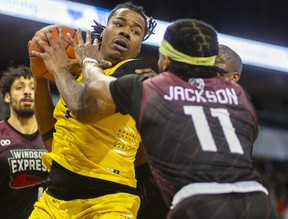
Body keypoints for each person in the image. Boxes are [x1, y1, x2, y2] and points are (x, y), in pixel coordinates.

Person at [67, 18, 278, 218]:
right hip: (258, 200)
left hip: (201, 202)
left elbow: (94, 85)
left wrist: (88, 59)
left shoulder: (153, 88)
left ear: (166, 60)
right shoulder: (240, 96)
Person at [29, 2, 167, 219]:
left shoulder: (135, 74)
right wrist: (39, 77)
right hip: (54, 199)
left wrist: (58, 69)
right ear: (104, 31)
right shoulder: (79, 70)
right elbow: (50, 139)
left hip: (107, 203)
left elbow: (84, 110)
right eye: (119, 24)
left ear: (139, 46)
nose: (126, 32)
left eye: (135, 31)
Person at [0, 65, 49, 219]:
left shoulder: (56, 136)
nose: (27, 91)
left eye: (33, 87)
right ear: (7, 96)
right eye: (19, 87)